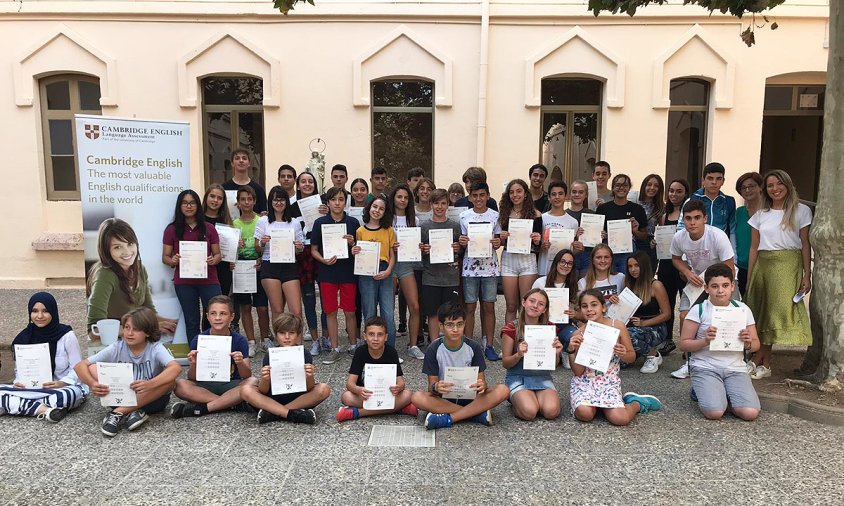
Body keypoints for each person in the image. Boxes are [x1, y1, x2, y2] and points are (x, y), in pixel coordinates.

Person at [746, 170, 812, 379]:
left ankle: (756, 359)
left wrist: (806, 274)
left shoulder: (801, 211)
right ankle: (765, 364)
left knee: (775, 312)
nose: (775, 189)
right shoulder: (760, 214)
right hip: (763, 265)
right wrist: (750, 276)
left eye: (778, 184)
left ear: (787, 184)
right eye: (770, 185)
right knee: (762, 312)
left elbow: (805, 244)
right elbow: (754, 248)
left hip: (787, 265)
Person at [75, 307, 181, 437]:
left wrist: (150, 384)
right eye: (127, 327)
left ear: (147, 332)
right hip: (122, 397)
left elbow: (176, 367)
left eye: (136, 329)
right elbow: (80, 365)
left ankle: (118, 413)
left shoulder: (155, 348)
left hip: (150, 400)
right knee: (92, 368)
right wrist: (92, 384)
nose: (129, 333)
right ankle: (133, 413)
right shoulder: (117, 347)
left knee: (170, 382)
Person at [567, 289, 662, 425]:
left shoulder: (617, 326)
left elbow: (631, 357)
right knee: (584, 414)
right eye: (584, 306)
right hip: (585, 381)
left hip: (608, 381)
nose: (589, 309)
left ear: (603, 307)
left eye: (594, 305)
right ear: (580, 310)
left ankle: (636, 403)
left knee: (620, 419)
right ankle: (596, 406)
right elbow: (578, 372)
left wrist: (623, 353)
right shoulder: (578, 333)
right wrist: (571, 350)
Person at [679, 263, 760, 421]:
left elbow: (756, 344)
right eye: (714, 286)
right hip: (705, 366)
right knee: (714, 412)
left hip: (735, 368)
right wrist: (704, 341)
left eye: (725, 285)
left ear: (732, 286)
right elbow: (684, 344)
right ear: (706, 288)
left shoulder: (742, 309)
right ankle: (706, 392)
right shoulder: (699, 310)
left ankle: (721, 394)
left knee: (750, 413)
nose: (720, 290)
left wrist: (748, 342)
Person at [411, 302, 509, 429]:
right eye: (450, 325)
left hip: (470, 397)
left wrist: (482, 385)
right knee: (417, 397)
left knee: (503, 390)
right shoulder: (434, 348)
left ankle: (450, 418)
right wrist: (437, 387)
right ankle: (475, 413)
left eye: (459, 324)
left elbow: (482, 382)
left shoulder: (473, 347)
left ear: (464, 324)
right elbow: (431, 387)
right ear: (441, 326)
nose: (455, 329)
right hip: (445, 399)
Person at [669, 199, 736, 379]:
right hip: (697, 280)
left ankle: (729, 360)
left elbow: (729, 267)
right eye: (688, 218)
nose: (692, 222)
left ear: (705, 218)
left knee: (728, 316)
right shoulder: (679, 237)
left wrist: (718, 288)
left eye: (697, 218)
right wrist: (686, 271)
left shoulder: (717, 236)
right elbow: (675, 258)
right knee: (684, 315)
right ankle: (689, 361)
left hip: (721, 279)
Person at [1, 292, 88, 422]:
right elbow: (19, 370)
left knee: (69, 396)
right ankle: (45, 410)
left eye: (45, 311)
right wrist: (19, 382)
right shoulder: (24, 337)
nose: (40, 316)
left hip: (60, 389)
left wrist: (61, 382)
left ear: (53, 312)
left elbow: (78, 367)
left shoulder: (66, 336)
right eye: (35, 311)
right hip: (31, 389)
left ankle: (14, 405)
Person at [87, 218, 177, 340]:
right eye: (117, 247)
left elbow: (148, 310)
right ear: (107, 251)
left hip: (135, 338)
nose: (127, 252)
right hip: (113, 343)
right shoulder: (105, 275)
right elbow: (94, 330)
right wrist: (147, 329)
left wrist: (173, 323)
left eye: (130, 244)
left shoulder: (139, 268)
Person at [240, 313, 331, 424]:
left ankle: (274, 412)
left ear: (298, 335)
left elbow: (309, 388)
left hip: (298, 398)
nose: (287, 337)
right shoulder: (271, 355)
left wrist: (310, 376)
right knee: (245, 390)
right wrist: (265, 378)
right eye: (282, 333)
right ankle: (293, 414)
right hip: (273, 397)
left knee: (324, 389)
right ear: (276, 335)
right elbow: (263, 390)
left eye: (291, 333)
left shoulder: (304, 354)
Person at [170, 296, 252, 418]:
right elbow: (192, 377)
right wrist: (194, 363)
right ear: (207, 316)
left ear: (232, 317)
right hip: (205, 386)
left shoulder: (240, 340)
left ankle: (205, 408)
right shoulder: (198, 340)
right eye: (213, 314)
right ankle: (231, 403)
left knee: (253, 382)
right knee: (179, 385)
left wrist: (240, 363)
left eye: (223, 314)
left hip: (231, 384)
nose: (218, 318)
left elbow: (247, 375)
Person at [162, 190, 223, 342]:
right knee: (192, 321)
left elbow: (218, 255)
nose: (189, 206)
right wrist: (173, 260)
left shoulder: (209, 228)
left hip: (209, 280)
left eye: (192, 203)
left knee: (216, 319)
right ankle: (195, 357)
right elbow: (165, 257)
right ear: (180, 206)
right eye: (185, 203)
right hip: (184, 283)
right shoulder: (172, 229)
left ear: (197, 205)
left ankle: (214, 355)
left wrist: (213, 260)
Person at [311, 187, 360, 364]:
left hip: (348, 272)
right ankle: (334, 347)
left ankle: (353, 345)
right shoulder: (319, 223)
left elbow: (358, 250)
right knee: (330, 311)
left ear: (345, 202)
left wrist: (353, 243)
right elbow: (314, 250)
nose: (337, 203)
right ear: (328, 202)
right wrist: (322, 260)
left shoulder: (353, 223)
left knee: (350, 311)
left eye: (341, 199)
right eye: (333, 200)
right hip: (327, 272)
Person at [336, 316, 417, 421]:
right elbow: (350, 383)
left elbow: (401, 382)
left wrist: (398, 388)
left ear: (386, 337)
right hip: (366, 396)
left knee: (408, 394)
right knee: (346, 397)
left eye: (380, 335)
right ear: (364, 336)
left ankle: (357, 413)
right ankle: (397, 408)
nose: (375, 339)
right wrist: (359, 390)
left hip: (386, 394)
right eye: (371, 334)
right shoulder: (360, 352)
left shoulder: (391, 352)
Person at [501, 289, 563, 421]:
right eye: (532, 301)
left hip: (542, 377)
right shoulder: (512, 328)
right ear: (524, 302)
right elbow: (505, 363)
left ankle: (529, 399)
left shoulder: (549, 329)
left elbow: (554, 365)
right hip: (518, 377)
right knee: (529, 412)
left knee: (551, 412)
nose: (535, 306)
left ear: (544, 309)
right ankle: (515, 400)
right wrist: (518, 355)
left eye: (541, 304)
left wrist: (557, 354)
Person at [458, 181, 503, 361]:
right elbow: (462, 242)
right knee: (469, 307)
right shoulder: (463, 216)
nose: (478, 199)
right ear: (470, 197)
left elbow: (498, 239)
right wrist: (462, 242)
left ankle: (489, 344)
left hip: (490, 268)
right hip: (470, 268)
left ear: (487, 196)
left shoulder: (495, 216)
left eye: (482, 195)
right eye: (475, 195)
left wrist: (498, 243)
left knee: (489, 306)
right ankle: (468, 345)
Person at [255, 186, 305, 344]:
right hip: (270, 265)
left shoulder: (295, 223)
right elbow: (257, 247)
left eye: (282, 199)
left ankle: (298, 344)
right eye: (275, 199)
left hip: (289, 265)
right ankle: (281, 345)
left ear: (286, 202)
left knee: (296, 310)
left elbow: (300, 248)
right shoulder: (263, 221)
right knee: (277, 309)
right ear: (270, 201)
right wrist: (262, 242)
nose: (278, 202)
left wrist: (299, 247)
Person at [353, 194, 397, 352]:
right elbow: (358, 254)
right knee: (369, 313)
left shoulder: (389, 230)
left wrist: (388, 271)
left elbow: (392, 254)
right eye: (375, 207)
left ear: (385, 212)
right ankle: (370, 351)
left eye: (381, 208)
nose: (377, 210)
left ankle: (390, 351)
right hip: (366, 274)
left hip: (385, 271)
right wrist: (354, 251)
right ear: (369, 208)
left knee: (388, 314)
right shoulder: (360, 231)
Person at [293, 171, 330, 353]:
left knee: (325, 298)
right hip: (302, 255)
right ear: (298, 185)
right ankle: (314, 339)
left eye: (310, 181)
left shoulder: (323, 205)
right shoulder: (291, 208)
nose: (307, 184)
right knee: (308, 299)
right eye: (303, 182)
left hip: (321, 251)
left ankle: (326, 337)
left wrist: (327, 212)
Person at [420, 189, 462, 344]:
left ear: (448, 205)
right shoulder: (425, 227)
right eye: (436, 203)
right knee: (432, 314)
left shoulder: (455, 226)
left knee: (451, 314)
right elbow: (420, 251)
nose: (439, 206)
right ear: (431, 204)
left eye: (443, 203)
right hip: (430, 277)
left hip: (451, 277)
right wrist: (423, 250)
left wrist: (459, 248)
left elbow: (461, 249)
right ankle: (434, 344)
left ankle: (450, 344)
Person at [232, 185, 270, 356]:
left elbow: (267, 246)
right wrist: (234, 249)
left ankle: (265, 339)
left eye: (249, 199)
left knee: (262, 307)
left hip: (258, 267)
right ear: (238, 203)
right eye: (242, 199)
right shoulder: (233, 224)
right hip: (241, 269)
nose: (246, 202)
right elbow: (227, 251)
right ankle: (251, 341)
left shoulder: (261, 221)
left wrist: (262, 258)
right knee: (245, 307)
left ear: (254, 201)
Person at [654, 178, 690, 356]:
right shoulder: (663, 216)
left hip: (683, 265)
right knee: (666, 303)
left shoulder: (688, 216)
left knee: (686, 304)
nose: (674, 194)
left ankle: (688, 341)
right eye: (671, 191)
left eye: (679, 191)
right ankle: (667, 340)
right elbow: (660, 240)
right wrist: (656, 242)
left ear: (685, 194)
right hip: (666, 265)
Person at [499, 179, 543, 323]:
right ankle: (509, 339)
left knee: (526, 305)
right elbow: (501, 242)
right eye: (511, 192)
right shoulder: (504, 213)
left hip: (527, 260)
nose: (515, 195)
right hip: (509, 260)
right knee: (511, 306)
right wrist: (502, 238)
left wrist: (537, 240)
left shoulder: (536, 214)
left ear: (525, 194)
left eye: (518, 191)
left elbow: (539, 245)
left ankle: (524, 340)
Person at [623, 252, 671, 373]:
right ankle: (637, 353)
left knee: (627, 335)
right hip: (634, 326)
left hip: (655, 327)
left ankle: (653, 354)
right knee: (622, 363)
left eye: (637, 266)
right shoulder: (628, 284)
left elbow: (667, 314)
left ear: (644, 266)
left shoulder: (655, 285)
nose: (633, 269)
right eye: (630, 266)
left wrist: (644, 323)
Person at [390, 184, 423, 358]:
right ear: (393, 198)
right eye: (399, 197)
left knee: (415, 306)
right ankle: (389, 346)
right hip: (389, 263)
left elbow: (416, 244)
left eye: (405, 197)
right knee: (389, 307)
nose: (402, 200)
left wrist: (417, 246)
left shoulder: (414, 220)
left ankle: (413, 345)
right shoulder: (387, 219)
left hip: (406, 264)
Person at [533, 249, 580, 366]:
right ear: (556, 263)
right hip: (543, 325)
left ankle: (565, 349)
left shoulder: (575, 285)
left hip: (564, 325)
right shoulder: (541, 282)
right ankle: (556, 352)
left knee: (576, 336)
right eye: (562, 262)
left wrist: (574, 313)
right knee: (547, 362)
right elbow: (529, 307)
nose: (565, 265)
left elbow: (580, 313)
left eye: (569, 263)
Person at [596, 174, 648, 274]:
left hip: (628, 253)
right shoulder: (603, 208)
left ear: (629, 188)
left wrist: (635, 231)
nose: (621, 188)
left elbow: (644, 236)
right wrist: (600, 235)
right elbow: (596, 234)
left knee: (627, 281)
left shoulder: (637, 209)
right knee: (609, 281)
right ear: (613, 188)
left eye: (625, 185)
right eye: (618, 185)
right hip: (607, 252)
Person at [202, 184, 237, 333]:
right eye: (212, 196)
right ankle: (206, 338)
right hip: (201, 266)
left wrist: (235, 250)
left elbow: (231, 248)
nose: (215, 200)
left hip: (223, 268)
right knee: (207, 307)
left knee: (219, 306)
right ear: (206, 198)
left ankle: (221, 339)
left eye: (219, 198)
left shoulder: (227, 221)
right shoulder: (197, 219)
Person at [678, 162, 737, 249]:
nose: (714, 182)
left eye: (718, 179)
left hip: (719, 250)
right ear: (703, 180)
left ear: (723, 181)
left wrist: (733, 257)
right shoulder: (692, 200)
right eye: (710, 178)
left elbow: (732, 231)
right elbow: (681, 227)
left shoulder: (729, 202)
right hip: (696, 250)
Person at [538, 180, 582, 276]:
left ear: (566, 196)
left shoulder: (573, 222)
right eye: (553, 194)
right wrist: (541, 247)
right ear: (549, 197)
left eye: (560, 194)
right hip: (544, 268)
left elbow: (570, 251)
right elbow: (536, 244)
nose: (557, 197)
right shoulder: (541, 218)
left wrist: (577, 249)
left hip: (564, 271)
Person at [734, 172, 764, 296]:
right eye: (743, 188)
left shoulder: (768, 212)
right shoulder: (738, 213)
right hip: (742, 267)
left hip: (763, 267)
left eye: (751, 186)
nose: (747, 190)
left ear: (760, 187)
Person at [566, 180, 596, 277]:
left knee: (586, 287)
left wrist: (600, 235)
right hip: (571, 256)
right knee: (572, 286)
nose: (577, 194)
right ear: (570, 194)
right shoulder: (564, 214)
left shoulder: (592, 214)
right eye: (574, 192)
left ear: (586, 195)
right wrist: (575, 236)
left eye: (581, 192)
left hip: (588, 255)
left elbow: (597, 241)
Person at [223, 149, 267, 214]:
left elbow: (264, 216)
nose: (241, 161)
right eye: (237, 158)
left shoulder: (259, 189)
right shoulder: (224, 188)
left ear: (249, 163)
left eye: (244, 158)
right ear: (232, 163)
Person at [635, 174, 665, 270]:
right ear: (644, 186)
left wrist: (657, 240)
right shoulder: (634, 203)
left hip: (649, 245)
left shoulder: (661, 208)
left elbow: (662, 230)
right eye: (649, 184)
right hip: (632, 242)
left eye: (656, 186)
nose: (652, 188)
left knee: (647, 277)